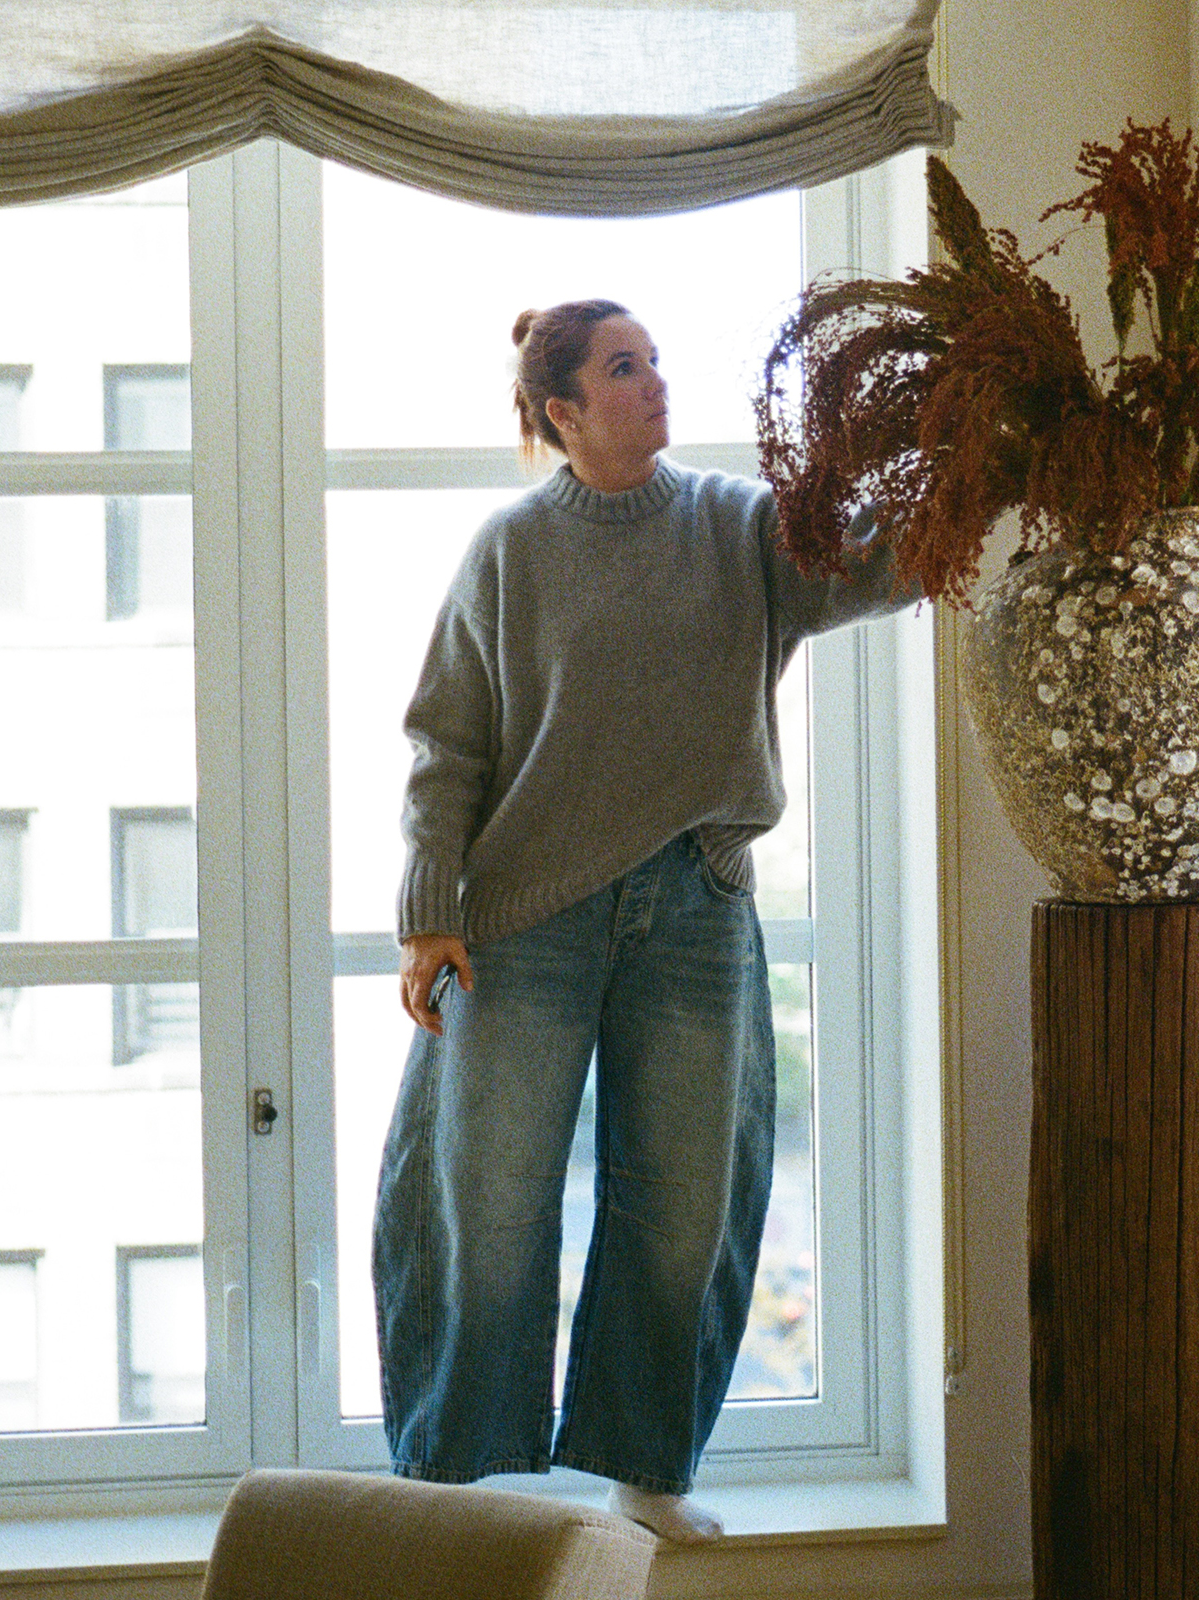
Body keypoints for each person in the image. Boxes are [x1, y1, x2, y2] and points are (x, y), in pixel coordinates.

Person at [372, 298, 915, 1542]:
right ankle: (446, 1477)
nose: (655, 380)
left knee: (682, 1207)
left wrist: (975, 466)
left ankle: (644, 1466)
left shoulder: (737, 525)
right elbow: (446, 739)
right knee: (483, 1202)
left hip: (694, 905)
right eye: (625, 367)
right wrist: (428, 911)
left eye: (656, 359)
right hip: (528, 919)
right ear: (562, 411)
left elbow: (882, 565)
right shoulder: (509, 551)